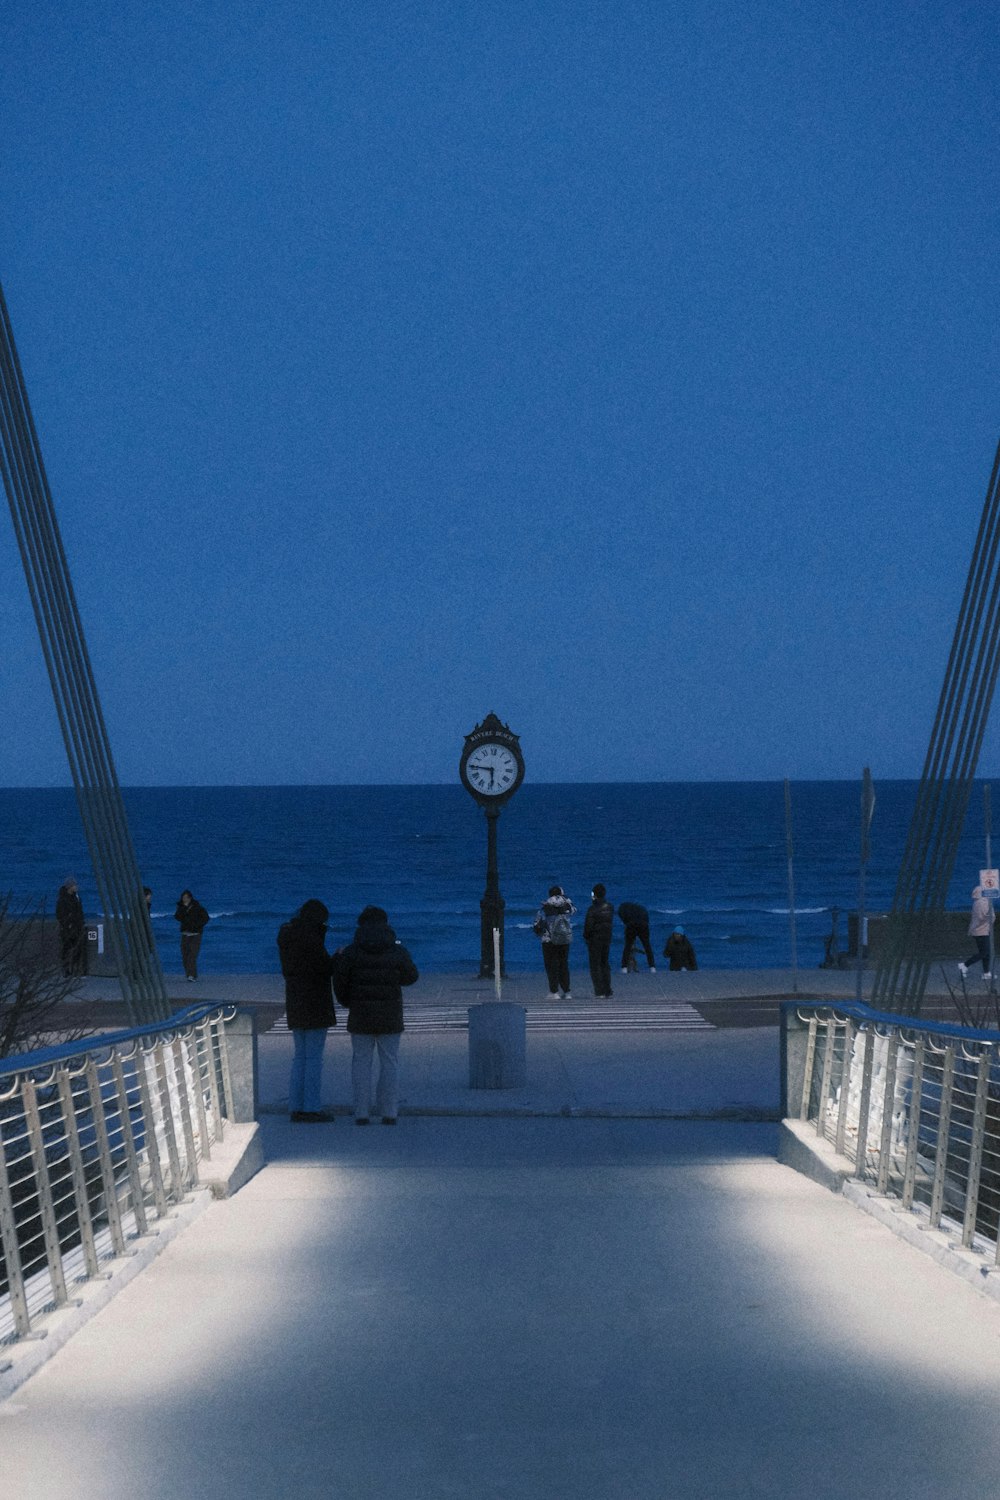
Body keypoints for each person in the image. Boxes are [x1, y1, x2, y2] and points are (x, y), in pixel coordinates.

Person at [332, 905, 418, 1125]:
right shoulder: (397, 950)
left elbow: (340, 982)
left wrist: (348, 1002)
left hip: (360, 1014)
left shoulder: (351, 951)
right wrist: (392, 979)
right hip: (390, 1014)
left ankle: (361, 1111)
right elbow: (411, 977)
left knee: (361, 1063)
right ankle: (389, 1111)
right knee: (390, 1062)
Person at [278, 899, 337, 1123]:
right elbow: (324, 968)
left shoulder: (287, 935)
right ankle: (311, 1106)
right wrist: (337, 956)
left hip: (295, 999)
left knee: (300, 1056)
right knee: (313, 1057)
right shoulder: (310, 938)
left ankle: (296, 1105)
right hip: (315, 1002)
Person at [534, 885, 576, 1000]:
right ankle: (567, 992)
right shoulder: (568, 906)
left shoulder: (545, 908)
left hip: (549, 940)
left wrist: (540, 931)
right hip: (564, 939)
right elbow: (573, 911)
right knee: (563, 964)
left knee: (551, 965)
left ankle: (554, 992)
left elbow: (537, 925)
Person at [583, 883, 615, 998]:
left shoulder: (592, 909)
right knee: (605, 963)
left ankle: (599, 991)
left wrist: (586, 937)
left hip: (595, 939)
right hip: (607, 938)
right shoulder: (610, 907)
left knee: (595, 965)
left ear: (594, 894)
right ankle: (608, 989)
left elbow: (588, 926)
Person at [959, 885, 995, 981]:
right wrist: (991, 917)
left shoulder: (977, 902)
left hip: (980, 930)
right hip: (981, 931)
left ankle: (986, 973)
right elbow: (982, 917)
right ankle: (965, 965)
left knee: (986, 953)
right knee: (984, 952)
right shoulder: (981, 903)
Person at [174, 889, 210, 980]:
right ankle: (189, 974)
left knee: (192, 955)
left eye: (186, 898)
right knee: (185, 955)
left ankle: (192, 975)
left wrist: (197, 926)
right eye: (183, 898)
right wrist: (183, 908)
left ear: (190, 898)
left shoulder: (197, 907)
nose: (184, 899)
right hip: (185, 933)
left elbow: (206, 918)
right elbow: (177, 917)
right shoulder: (181, 907)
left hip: (196, 934)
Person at [56, 877, 87, 976]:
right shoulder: (63, 899)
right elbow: (60, 914)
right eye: (74, 885)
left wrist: (81, 922)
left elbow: (79, 912)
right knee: (67, 948)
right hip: (68, 928)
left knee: (78, 948)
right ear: (70, 887)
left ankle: (75, 969)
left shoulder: (76, 898)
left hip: (77, 927)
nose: (76, 887)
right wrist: (67, 924)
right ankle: (66, 970)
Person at [617, 900, 656, 974]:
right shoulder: (641, 909)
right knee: (647, 946)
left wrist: (627, 927)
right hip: (644, 925)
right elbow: (647, 919)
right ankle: (652, 968)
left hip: (631, 925)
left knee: (627, 947)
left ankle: (624, 968)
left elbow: (625, 920)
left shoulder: (623, 909)